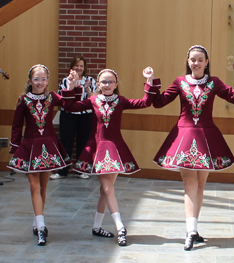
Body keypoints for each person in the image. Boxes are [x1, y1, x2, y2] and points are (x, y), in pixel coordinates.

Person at [153, 45, 234, 251]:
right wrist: (150, 82)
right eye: (192, 59)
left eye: (200, 59)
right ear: (187, 62)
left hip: (207, 137)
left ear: (207, 62)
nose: (196, 63)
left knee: (200, 186)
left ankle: (194, 229)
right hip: (184, 136)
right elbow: (159, 102)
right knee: (189, 184)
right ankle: (190, 231)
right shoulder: (180, 82)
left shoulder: (214, 82)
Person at [62, 67, 160, 246]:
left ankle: (97, 227)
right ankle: (120, 227)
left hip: (115, 148)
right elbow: (69, 107)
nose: (107, 85)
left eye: (110, 82)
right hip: (98, 148)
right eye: (103, 82)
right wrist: (72, 85)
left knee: (105, 190)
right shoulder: (92, 100)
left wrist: (150, 79)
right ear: (98, 84)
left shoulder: (121, 101)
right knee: (107, 188)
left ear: (116, 84)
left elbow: (145, 102)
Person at [8, 64, 72, 245]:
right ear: (30, 81)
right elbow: (16, 125)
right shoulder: (23, 99)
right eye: (36, 79)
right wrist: (16, 147)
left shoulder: (52, 97)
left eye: (43, 79)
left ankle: (37, 222)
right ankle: (42, 227)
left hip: (48, 146)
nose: (40, 82)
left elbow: (69, 102)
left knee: (43, 188)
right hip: (30, 147)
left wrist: (72, 85)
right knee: (34, 187)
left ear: (48, 81)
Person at [51, 56, 97, 180]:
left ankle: (81, 170)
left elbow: (94, 99)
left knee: (84, 142)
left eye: (81, 66)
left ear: (84, 68)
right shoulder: (66, 80)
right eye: (76, 65)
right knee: (65, 142)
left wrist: (86, 88)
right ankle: (62, 171)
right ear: (72, 67)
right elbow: (61, 98)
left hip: (86, 115)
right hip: (68, 115)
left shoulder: (91, 80)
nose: (79, 68)